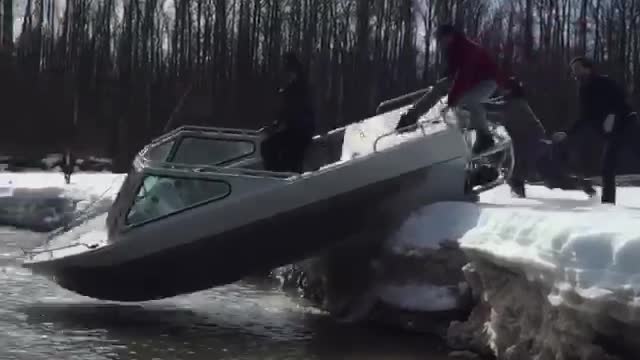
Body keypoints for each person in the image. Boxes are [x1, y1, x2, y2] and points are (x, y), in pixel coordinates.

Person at [553, 57, 639, 204]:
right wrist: (567, 132)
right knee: (607, 166)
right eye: (573, 71)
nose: (575, 74)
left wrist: (613, 114)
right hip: (613, 133)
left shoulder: (603, 82)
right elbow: (585, 116)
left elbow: (622, 97)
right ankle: (608, 204)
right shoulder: (583, 90)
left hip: (627, 124)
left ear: (588, 69)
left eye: (578, 69)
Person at [497, 77, 596, 198]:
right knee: (518, 174)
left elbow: (496, 111)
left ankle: (584, 184)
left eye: (504, 89)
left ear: (509, 90)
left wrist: (475, 106)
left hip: (535, 147)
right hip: (528, 147)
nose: (501, 91)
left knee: (552, 179)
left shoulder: (515, 104)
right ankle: (519, 193)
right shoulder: (515, 103)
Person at [434, 24, 505, 154]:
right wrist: (445, 88)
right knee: (450, 94)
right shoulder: (451, 50)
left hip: (489, 80)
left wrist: (452, 99)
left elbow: (463, 76)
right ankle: (414, 113)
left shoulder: (467, 48)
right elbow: (452, 73)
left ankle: (485, 137)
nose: (441, 43)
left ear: (450, 37)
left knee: (471, 100)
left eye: (442, 39)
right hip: (474, 80)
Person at [261, 52, 316, 173]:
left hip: (300, 131)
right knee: (274, 148)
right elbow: (286, 111)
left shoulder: (297, 89)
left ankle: (277, 177)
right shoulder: (297, 87)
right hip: (299, 129)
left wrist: (275, 125)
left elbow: (289, 110)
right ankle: (281, 173)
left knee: (269, 147)